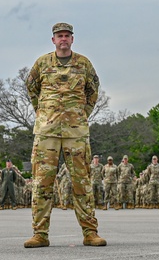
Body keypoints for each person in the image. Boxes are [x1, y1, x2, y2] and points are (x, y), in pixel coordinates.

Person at [23, 22, 105, 248]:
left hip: (75, 132)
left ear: (72, 39)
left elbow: (93, 91)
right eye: (59, 36)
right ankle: (40, 234)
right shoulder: (42, 63)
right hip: (47, 132)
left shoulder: (83, 64)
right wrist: (42, 112)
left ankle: (90, 232)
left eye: (67, 36)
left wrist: (82, 113)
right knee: (42, 183)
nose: (63, 39)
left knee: (82, 183)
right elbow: (32, 89)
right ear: (53, 40)